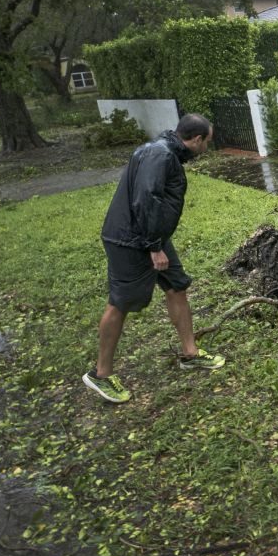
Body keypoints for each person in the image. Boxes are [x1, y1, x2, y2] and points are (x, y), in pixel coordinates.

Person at [83, 114, 225, 403]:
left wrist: (156, 241)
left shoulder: (162, 150)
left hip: (150, 236)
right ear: (196, 140)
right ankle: (100, 374)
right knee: (120, 303)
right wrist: (153, 247)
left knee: (177, 285)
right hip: (131, 241)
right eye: (207, 143)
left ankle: (190, 354)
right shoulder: (160, 156)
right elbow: (145, 200)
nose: (206, 148)